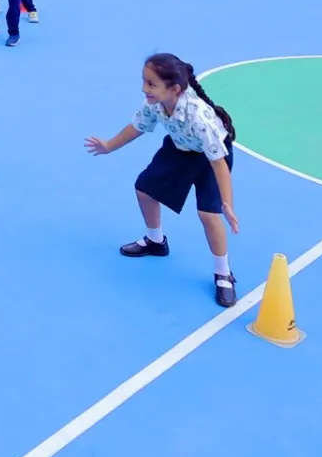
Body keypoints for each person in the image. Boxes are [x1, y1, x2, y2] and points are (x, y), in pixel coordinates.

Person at [84, 53, 241, 308]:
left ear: (174, 89)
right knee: (144, 189)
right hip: (180, 149)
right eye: (144, 82)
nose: (144, 88)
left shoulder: (199, 116)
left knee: (209, 215)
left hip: (211, 156)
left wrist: (227, 203)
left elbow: (218, 164)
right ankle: (156, 241)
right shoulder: (155, 103)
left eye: (150, 84)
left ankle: (224, 273)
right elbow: (137, 127)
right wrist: (109, 146)